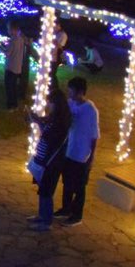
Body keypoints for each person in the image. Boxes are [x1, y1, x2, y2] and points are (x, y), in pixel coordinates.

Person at [55, 76, 100, 227]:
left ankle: (77, 215)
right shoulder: (70, 103)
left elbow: (94, 135)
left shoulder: (90, 110)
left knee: (79, 186)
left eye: (71, 90)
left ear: (80, 91)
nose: (69, 92)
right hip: (69, 150)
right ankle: (66, 209)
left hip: (81, 154)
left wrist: (91, 156)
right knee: (67, 181)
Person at [27, 79, 72, 231]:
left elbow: (51, 138)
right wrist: (36, 119)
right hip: (44, 158)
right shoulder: (53, 118)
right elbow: (46, 128)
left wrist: (39, 124)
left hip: (51, 162)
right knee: (42, 189)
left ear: (57, 104)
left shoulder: (61, 122)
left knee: (47, 191)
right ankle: (41, 216)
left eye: (50, 103)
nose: (48, 105)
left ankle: (46, 222)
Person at [3, 22, 28, 110]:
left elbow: (8, 53)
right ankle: (15, 105)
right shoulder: (21, 39)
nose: (8, 31)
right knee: (13, 87)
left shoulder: (13, 40)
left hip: (11, 67)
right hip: (17, 67)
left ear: (13, 29)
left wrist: (1, 48)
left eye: (8, 29)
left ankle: (10, 106)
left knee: (9, 87)